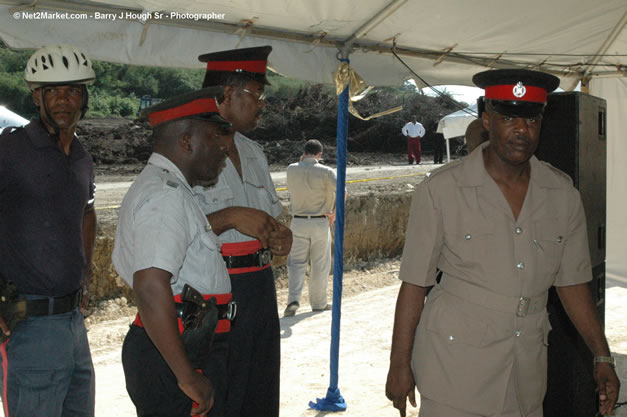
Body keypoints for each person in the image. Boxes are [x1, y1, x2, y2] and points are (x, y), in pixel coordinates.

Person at [386, 68, 620, 417]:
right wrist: (399, 365)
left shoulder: (562, 194)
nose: (521, 130)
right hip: (454, 368)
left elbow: (572, 283)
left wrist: (601, 354)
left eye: (531, 120)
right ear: (486, 118)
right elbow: (414, 284)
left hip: (525, 372)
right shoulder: (442, 190)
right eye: (509, 118)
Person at [112, 87, 235, 417]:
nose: (224, 147)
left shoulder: (169, 188)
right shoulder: (166, 197)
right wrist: (187, 376)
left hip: (186, 346)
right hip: (178, 355)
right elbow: (151, 287)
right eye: (214, 136)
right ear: (186, 142)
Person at [194, 46, 292, 417]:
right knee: (221, 395)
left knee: (260, 389)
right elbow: (173, 228)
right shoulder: (191, 149)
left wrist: (280, 236)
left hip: (259, 287)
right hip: (214, 290)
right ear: (226, 94)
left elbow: (270, 216)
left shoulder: (253, 152)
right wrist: (229, 216)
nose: (261, 104)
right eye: (256, 94)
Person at [0, 45, 97, 417]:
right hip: (29, 327)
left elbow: (87, 212)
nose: (62, 100)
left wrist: (85, 271)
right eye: (52, 91)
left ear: (84, 97)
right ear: (36, 96)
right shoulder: (10, 151)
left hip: (73, 325)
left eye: (72, 91)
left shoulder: (82, 158)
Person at [283, 139, 337, 317]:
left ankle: (293, 299)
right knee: (320, 264)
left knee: (296, 263)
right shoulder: (327, 171)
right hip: (320, 221)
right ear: (319, 155)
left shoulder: (292, 169)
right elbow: (342, 191)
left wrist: (300, 161)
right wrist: (334, 213)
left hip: (298, 221)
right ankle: (319, 302)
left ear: (304, 152)